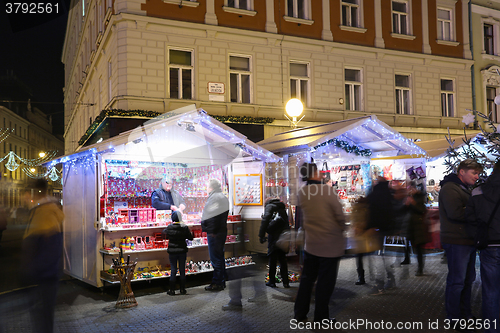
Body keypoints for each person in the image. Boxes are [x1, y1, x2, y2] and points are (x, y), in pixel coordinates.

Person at [294, 162, 346, 323]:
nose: (321, 174)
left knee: (307, 280)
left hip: (311, 244)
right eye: (318, 171)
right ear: (313, 173)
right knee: (325, 282)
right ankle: (321, 317)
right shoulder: (326, 191)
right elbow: (340, 216)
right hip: (329, 244)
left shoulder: (302, 192)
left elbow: (302, 218)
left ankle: (300, 314)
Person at [439, 158, 483, 325]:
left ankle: (465, 313)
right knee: (457, 281)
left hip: (465, 240)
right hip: (457, 240)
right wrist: (477, 209)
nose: (477, 176)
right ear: (462, 172)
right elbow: (455, 213)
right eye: (474, 173)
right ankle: (454, 318)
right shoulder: (450, 188)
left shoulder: (462, 188)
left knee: (467, 279)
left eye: (478, 173)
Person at [21, 179, 65, 333]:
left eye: (26, 194)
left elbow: (50, 248)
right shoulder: (42, 210)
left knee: (43, 316)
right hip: (44, 274)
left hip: (44, 276)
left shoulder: (44, 213)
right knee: (43, 315)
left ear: (35, 192)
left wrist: (33, 270)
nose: (25, 198)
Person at [465, 160, 500, 333]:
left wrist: (478, 237)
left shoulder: (478, 191)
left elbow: (470, 219)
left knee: (491, 290)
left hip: (490, 246)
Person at [366, 176, 396, 294]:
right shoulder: (389, 195)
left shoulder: (375, 195)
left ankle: (379, 285)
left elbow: (371, 213)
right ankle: (391, 279)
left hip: (377, 231)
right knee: (386, 257)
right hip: (389, 230)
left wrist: (369, 227)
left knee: (378, 257)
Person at [201, 179, 229, 292]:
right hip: (221, 230)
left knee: (215, 258)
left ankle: (217, 283)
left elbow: (212, 216)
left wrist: (210, 230)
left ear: (210, 187)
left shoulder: (214, 198)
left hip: (215, 233)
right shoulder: (222, 196)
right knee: (220, 257)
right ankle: (221, 281)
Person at [258, 196, 290, 288]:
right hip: (283, 237)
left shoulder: (270, 206)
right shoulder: (281, 207)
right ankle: (286, 282)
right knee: (282, 260)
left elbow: (265, 221)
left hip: (274, 237)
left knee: (272, 260)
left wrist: (261, 235)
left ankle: (272, 281)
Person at [163, 211, 193, 295]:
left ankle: (172, 290)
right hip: (182, 251)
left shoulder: (169, 227)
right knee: (182, 270)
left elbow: (163, 233)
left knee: (173, 270)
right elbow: (190, 238)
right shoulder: (184, 227)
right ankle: (182, 289)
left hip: (172, 252)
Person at [406, 185, 431, 276]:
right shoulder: (410, 197)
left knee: (419, 249)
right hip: (411, 226)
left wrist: (413, 203)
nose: (410, 190)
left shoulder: (420, 197)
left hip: (419, 227)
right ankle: (407, 259)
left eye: (411, 188)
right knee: (414, 247)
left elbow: (422, 210)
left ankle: (420, 268)